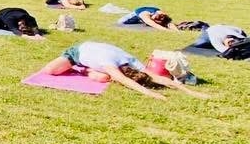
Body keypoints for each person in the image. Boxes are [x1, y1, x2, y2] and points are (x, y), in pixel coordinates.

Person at [43, 41, 207, 99]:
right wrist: (151, 94)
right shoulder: (109, 64)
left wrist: (190, 92)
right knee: (50, 70)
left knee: (102, 78)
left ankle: (89, 69)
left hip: (97, 52)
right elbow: (125, 81)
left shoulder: (131, 61)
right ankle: (84, 69)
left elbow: (156, 77)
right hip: (78, 52)